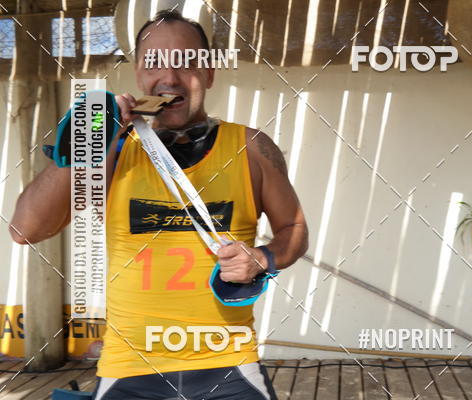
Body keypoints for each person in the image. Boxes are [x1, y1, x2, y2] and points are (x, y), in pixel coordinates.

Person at [9, 10, 308, 400]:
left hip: (230, 365)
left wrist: (263, 257)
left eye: (185, 62)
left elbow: (294, 229)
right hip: (129, 370)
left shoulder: (252, 149)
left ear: (209, 73)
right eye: (154, 63)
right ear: (138, 75)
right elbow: (25, 230)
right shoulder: (112, 150)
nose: (170, 77)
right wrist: (84, 142)